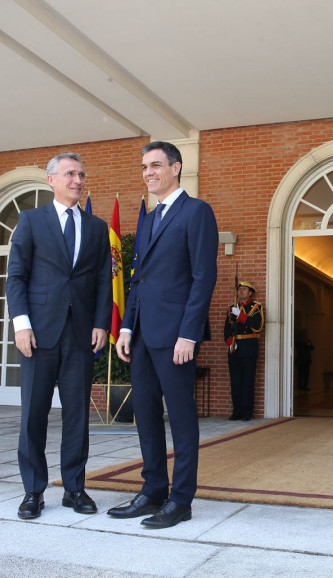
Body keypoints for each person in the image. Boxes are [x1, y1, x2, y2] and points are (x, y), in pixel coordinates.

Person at [108, 141, 218, 529]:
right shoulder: (149, 218)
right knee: (147, 417)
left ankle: (181, 500)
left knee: (182, 418)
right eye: (143, 167)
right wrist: (125, 327)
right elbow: (139, 280)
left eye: (155, 165)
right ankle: (153, 490)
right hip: (141, 337)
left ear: (176, 168)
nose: (148, 172)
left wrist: (189, 334)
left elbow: (203, 278)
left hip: (175, 339)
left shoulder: (197, 212)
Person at [6, 152, 112, 519]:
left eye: (81, 174)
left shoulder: (97, 228)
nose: (77, 180)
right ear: (51, 180)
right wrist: (21, 324)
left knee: (77, 417)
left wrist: (102, 323)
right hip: (37, 335)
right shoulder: (31, 221)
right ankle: (33, 491)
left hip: (81, 335)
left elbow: (102, 281)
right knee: (33, 415)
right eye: (69, 174)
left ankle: (74, 489)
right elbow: (16, 277)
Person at [224, 281, 265, 420]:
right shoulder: (231, 308)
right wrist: (230, 343)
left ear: (250, 292)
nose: (240, 291)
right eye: (239, 289)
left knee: (247, 380)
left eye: (244, 289)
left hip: (249, 347)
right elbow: (226, 330)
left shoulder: (256, 307)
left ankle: (247, 412)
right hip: (234, 347)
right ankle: (237, 411)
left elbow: (258, 326)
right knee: (235, 381)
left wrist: (241, 316)